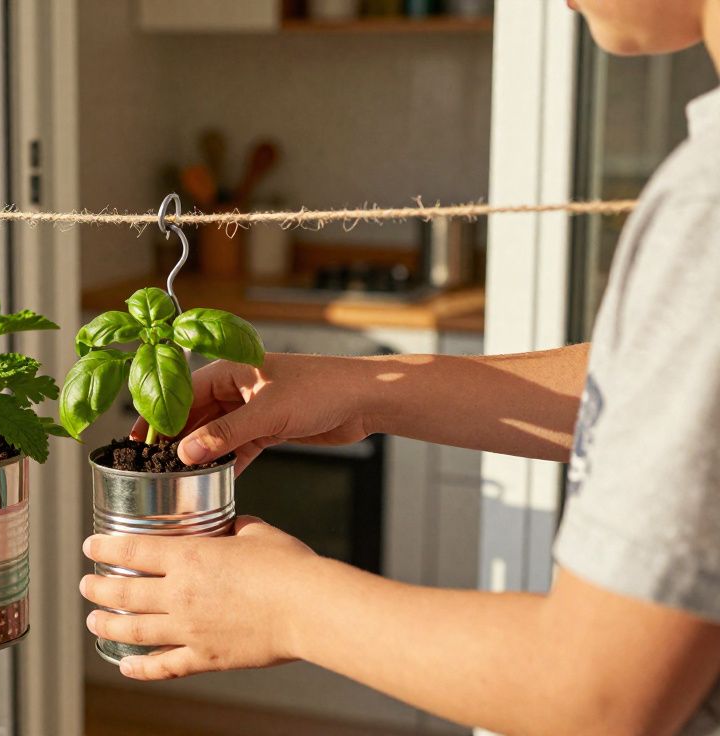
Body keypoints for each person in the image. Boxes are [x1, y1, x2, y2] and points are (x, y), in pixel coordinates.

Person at [79, 1, 720, 733]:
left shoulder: (706, 204)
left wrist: (286, 606)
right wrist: (367, 388)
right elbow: (667, 401)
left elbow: (599, 693)